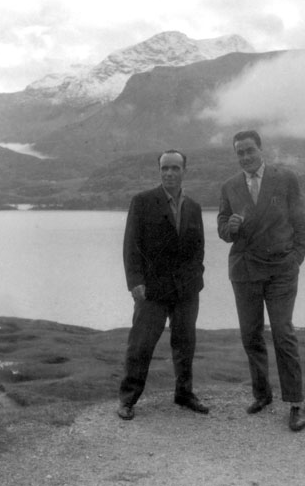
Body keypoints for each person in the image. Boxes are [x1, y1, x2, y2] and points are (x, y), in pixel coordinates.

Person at [217, 130, 305, 432]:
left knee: (283, 332)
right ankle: (262, 394)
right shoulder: (229, 186)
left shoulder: (286, 179)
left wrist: (296, 258)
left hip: (281, 270)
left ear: (260, 149)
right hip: (245, 270)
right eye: (240, 152)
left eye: (249, 150)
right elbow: (222, 228)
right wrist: (230, 228)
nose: (245, 157)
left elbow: (300, 221)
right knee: (251, 335)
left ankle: (296, 403)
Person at [117, 149, 209, 420]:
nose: (169, 173)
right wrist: (135, 282)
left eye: (175, 168)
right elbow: (130, 245)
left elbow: (199, 248)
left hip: (186, 290)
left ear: (184, 171)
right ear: (159, 171)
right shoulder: (142, 201)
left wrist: (196, 277)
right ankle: (127, 400)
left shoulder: (193, 207)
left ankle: (184, 394)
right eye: (164, 168)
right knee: (140, 345)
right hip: (152, 290)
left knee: (185, 344)